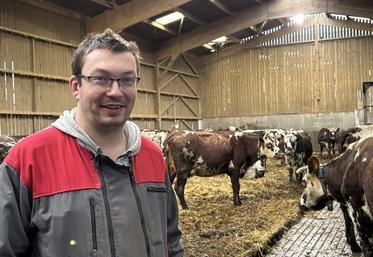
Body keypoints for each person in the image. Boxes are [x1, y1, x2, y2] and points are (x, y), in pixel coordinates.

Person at [0, 29, 184, 257]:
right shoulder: (28, 160)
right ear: (76, 86)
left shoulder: (153, 156)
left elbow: (171, 242)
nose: (116, 91)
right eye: (101, 78)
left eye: (127, 79)